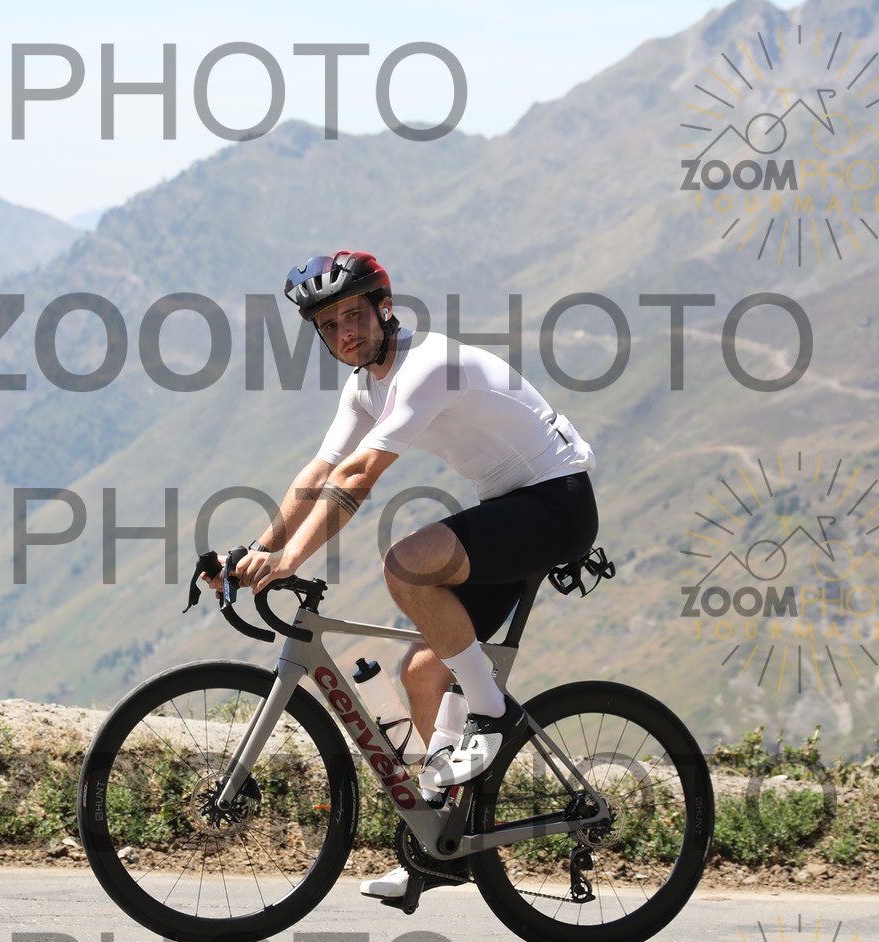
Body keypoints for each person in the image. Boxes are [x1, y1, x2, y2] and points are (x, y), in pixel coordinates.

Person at [224, 251, 598, 900]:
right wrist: (258, 549)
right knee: (423, 673)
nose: (344, 331)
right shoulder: (364, 386)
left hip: (556, 502)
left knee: (406, 563)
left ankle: (492, 714)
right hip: (512, 508)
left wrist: (291, 561)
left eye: (353, 314)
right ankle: (441, 844)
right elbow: (319, 473)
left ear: (384, 308)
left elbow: (357, 477)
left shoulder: (426, 366)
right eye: (328, 324)